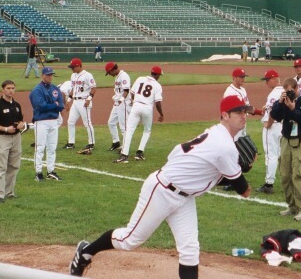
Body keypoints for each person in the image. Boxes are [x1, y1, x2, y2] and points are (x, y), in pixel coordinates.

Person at [69, 95, 253, 278]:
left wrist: (233, 172)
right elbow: (243, 190)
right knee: (129, 240)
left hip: (184, 197)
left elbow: (205, 174)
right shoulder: (225, 145)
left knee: (189, 250)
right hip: (162, 191)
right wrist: (244, 170)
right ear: (225, 115)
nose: (243, 115)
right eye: (238, 112)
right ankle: (86, 251)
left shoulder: (215, 133)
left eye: (245, 111)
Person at [270, 77, 301, 221]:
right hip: (286, 140)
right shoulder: (284, 101)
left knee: (298, 175)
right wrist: (280, 102)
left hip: (300, 141)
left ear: (296, 89)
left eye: (290, 91)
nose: (288, 94)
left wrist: (293, 109)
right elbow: (275, 116)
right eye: (286, 92)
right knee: (285, 175)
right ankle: (292, 206)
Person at [0, 80, 26, 203]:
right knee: (1, 166)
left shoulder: (17, 105)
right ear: (2, 89)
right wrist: (5, 129)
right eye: (8, 88)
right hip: (2, 138)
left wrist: (21, 125)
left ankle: (9, 192)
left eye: (13, 88)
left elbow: (21, 121)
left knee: (14, 166)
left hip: (16, 138)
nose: (11, 90)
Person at [114, 66, 164, 163]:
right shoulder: (157, 85)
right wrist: (161, 114)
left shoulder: (140, 79)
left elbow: (132, 93)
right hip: (147, 108)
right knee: (147, 131)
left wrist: (134, 101)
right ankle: (139, 153)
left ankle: (124, 155)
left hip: (136, 106)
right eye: (159, 75)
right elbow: (158, 102)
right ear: (157, 75)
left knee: (129, 130)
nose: (159, 77)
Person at [29, 67, 65, 181]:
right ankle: (38, 172)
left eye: (51, 75)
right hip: (41, 121)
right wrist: (54, 105)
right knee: (40, 147)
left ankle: (51, 171)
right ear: (42, 75)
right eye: (48, 75)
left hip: (54, 121)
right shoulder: (37, 90)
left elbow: (61, 105)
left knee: (52, 147)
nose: (50, 77)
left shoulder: (55, 89)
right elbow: (40, 106)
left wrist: (53, 105)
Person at [256, 69, 283, 194]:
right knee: (281, 155)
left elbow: (272, 112)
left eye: (267, 80)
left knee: (271, 155)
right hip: (283, 127)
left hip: (272, 127)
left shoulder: (273, 94)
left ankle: (269, 183)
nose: (266, 83)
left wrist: (269, 124)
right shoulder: (284, 91)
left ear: (274, 79)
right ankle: (287, 180)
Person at [65, 58, 97, 155]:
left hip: (84, 101)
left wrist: (89, 99)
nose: (72, 69)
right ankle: (71, 143)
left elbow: (94, 88)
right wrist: (68, 100)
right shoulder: (73, 75)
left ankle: (91, 143)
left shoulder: (87, 75)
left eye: (73, 67)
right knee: (70, 122)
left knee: (87, 122)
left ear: (79, 66)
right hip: (75, 101)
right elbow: (73, 88)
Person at [104, 62, 131, 153]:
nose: (109, 74)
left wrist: (122, 99)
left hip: (122, 103)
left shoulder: (124, 76)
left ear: (113, 69)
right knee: (111, 122)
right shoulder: (118, 76)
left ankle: (125, 147)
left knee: (123, 127)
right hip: (117, 102)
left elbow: (127, 90)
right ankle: (116, 143)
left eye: (109, 72)